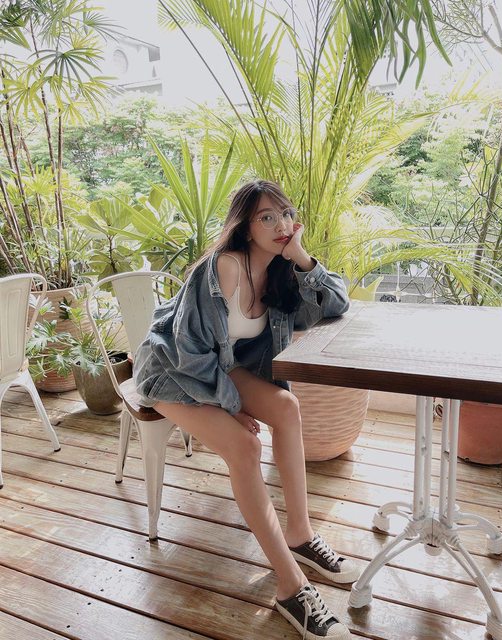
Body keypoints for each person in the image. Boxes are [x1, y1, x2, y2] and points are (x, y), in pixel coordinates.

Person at [134, 179, 358, 640]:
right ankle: (290, 586)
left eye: (285, 214)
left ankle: (300, 534)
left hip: (219, 368)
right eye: (266, 217)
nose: (280, 225)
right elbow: (188, 352)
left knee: (287, 407)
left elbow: (337, 303)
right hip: (173, 372)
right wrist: (232, 408)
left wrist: (301, 257)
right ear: (245, 225)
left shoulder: (281, 269)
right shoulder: (223, 267)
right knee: (244, 446)